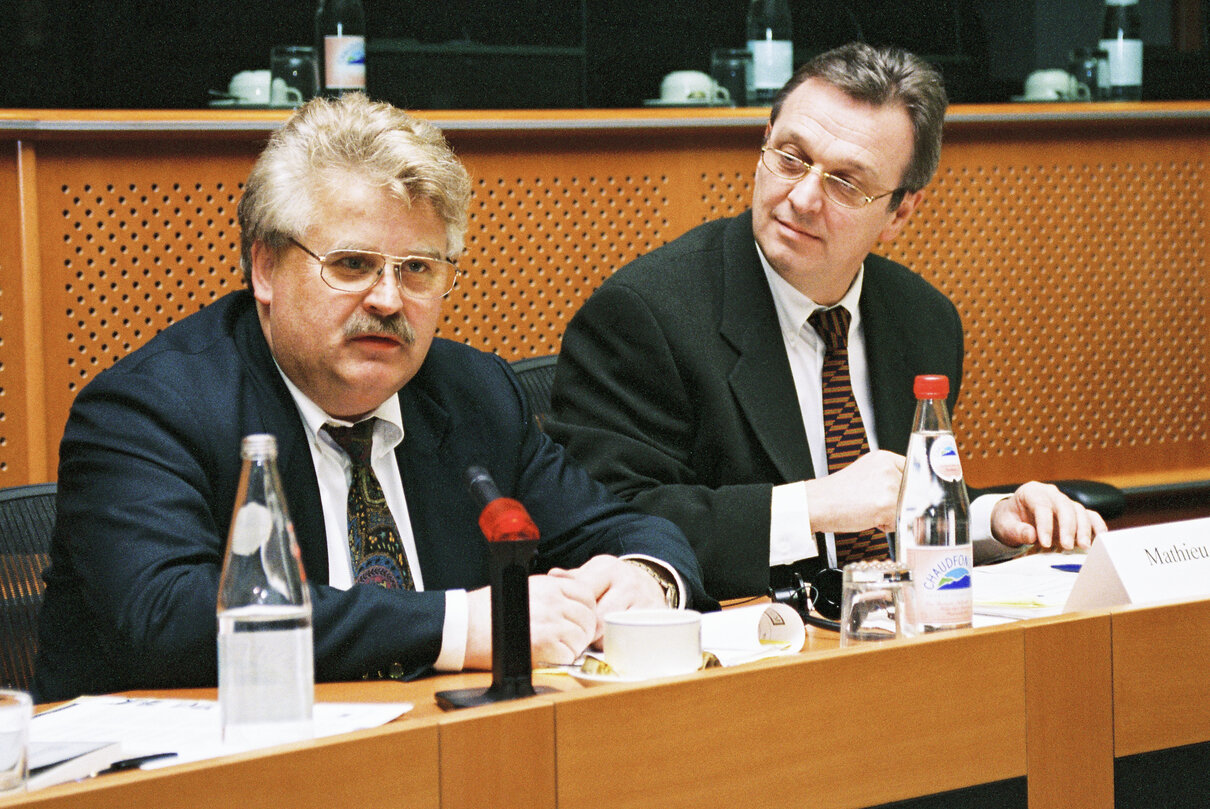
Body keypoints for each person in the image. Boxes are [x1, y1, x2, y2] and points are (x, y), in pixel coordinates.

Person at [33, 93, 714, 703]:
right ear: (265, 267)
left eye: (418, 269)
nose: (389, 300)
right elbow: (167, 619)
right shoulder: (150, 409)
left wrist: (644, 578)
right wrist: (457, 625)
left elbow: (630, 528)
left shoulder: (473, 394)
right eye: (352, 264)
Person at [546, 42, 1106, 601]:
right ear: (764, 140)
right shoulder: (647, 314)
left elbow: (894, 503)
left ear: (900, 211)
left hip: (897, 636)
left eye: (845, 182)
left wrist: (992, 518)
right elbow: (608, 520)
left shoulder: (923, 319)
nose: (804, 197)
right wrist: (816, 507)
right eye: (790, 157)